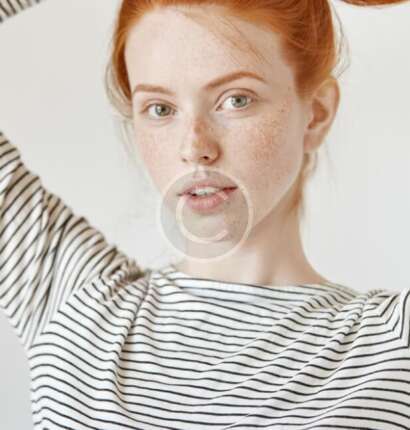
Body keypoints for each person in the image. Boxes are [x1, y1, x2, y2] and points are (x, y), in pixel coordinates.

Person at [1, 0, 409, 429]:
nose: (194, 147)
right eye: (161, 109)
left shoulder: (391, 345)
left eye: (236, 100)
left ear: (316, 113)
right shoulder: (71, 301)